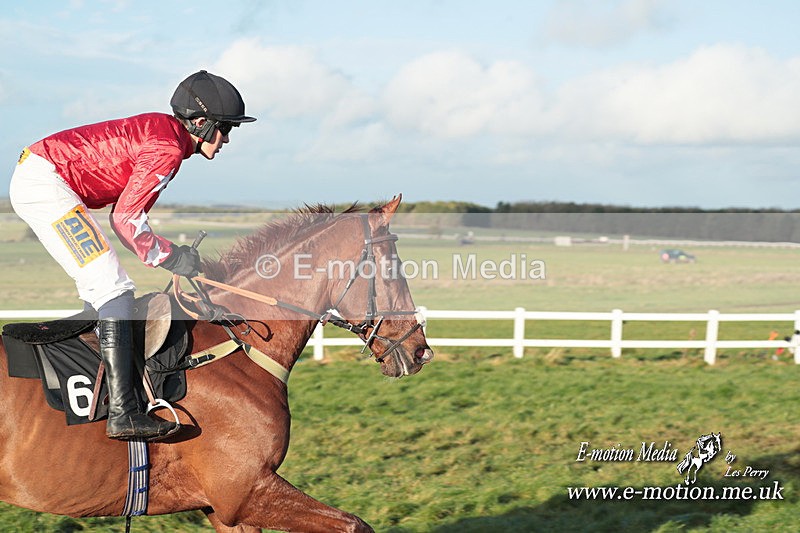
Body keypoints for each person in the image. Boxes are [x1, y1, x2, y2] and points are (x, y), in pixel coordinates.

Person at [9, 70, 256, 441]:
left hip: (45, 176)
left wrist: (168, 255)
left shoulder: (166, 137)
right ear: (202, 123)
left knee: (106, 287)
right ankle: (124, 413)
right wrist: (172, 257)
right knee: (112, 287)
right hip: (46, 182)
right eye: (226, 129)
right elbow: (126, 221)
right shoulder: (168, 148)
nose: (226, 140)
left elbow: (124, 218)